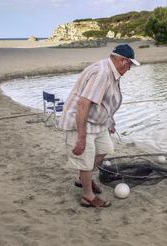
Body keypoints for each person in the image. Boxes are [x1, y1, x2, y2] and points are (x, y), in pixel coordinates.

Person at [58, 44, 140, 208]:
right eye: (130, 64)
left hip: (97, 123)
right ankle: (88, 197)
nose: (130, 68)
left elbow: (104, 102)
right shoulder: (102, 73)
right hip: (82, 122)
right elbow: (83, 104)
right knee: (85, 160)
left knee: (105, 149)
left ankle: (82, 178)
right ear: (123, 61)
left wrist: (109, 122)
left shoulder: (111, 72)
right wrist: (81, 138)